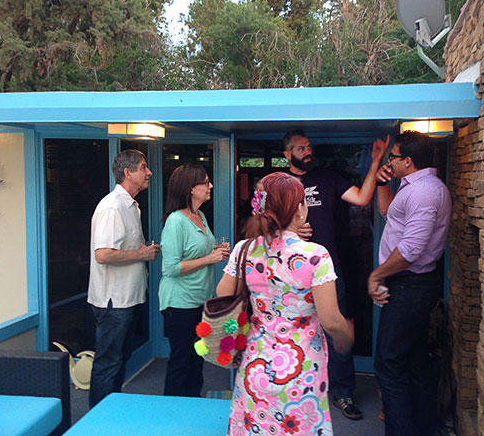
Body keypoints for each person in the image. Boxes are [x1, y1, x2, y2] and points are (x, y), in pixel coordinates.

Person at [217, 172, 354, 436]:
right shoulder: (315, 255)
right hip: (301, 369)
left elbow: (222, 295)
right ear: (299, 210)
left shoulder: (244, 249)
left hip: (255, 362)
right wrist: (346, 338)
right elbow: (331, 321)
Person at [282, 129, 388, 420]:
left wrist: (376, 160)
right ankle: (295, 388)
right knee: (293, 331)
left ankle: (343, 393)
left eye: (309, 146)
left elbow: (363, 198)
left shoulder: (328, 179)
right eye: (301, 148)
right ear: (287, 154)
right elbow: (262, 225)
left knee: (337, 330)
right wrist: (288, 230)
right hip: (290, 272)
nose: (307, 151)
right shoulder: (279, 184)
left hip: (328, 271)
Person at [368, 131, 451, 436]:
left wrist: (376, 275)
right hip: (411, 286)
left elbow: (411, 250)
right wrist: (381, 183)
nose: (390, 160)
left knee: (388, 366)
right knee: (415, 362)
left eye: (394, 155)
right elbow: (388, 212)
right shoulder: (413, 187)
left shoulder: (423, 192)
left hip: (410, 286)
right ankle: (423, 428)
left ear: (408, 161)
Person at [87, 149, 160, 408]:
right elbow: (103, 254)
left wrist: (143, 254)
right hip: (113, 301)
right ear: (128, 173)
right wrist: (141, 253)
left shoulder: (132, 206)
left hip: (129, 298)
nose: (149, 172)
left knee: (119, 360)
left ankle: (112, 410)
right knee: (108, 363)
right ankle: (99, 422)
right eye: (143, 167)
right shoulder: (111, 207)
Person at [159, 164, 230, 397]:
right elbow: (170, 268)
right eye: (206, 182)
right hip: (179, 302)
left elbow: (198, 252)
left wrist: (217, 250)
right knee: (181, 362)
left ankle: (193, 407)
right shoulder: (175, 221)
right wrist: (210, 258)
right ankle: (171, 418)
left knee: (197, 358)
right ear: (191, 188)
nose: (210, 186)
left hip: (201, 300)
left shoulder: (200, 216)